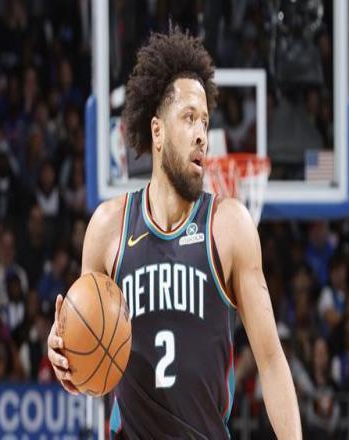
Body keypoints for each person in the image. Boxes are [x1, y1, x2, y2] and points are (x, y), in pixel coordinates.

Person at [47, 28, 301, 439]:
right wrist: (63, 351)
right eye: (189, 117)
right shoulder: (108, 228)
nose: (202, 133)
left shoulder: (229, 226)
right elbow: (85, 342)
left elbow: (271, 361)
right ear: (157, 131)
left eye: (205, 121)